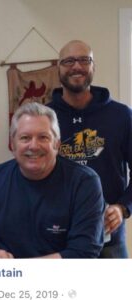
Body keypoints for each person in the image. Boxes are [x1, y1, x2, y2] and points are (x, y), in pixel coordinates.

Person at [0, 102, 104, 258]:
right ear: (13, 144)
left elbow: (84, 252)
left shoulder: (85, 183)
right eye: (25, 138)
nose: (34, 146)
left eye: (43, 137)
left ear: (57, 144)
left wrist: (24, 271)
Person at [48, 40, 132, 258]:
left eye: (84, 60)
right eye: (68, 61)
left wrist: (122, 208)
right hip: (57, 237)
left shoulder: (122, 116)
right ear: (58, 68)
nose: (77, 66)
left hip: (108, 237)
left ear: (94, 67)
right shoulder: (44, 117)